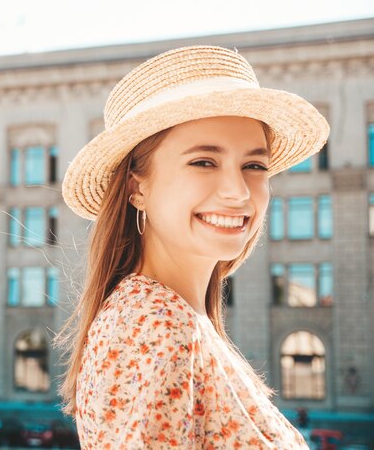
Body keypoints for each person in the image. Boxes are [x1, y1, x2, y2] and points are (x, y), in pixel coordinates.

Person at [54, 45, 329, 449]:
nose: (238, 192)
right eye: (204, 162)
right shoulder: (157, 326)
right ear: (136, 188)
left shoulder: (168, 318)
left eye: (254, 166)